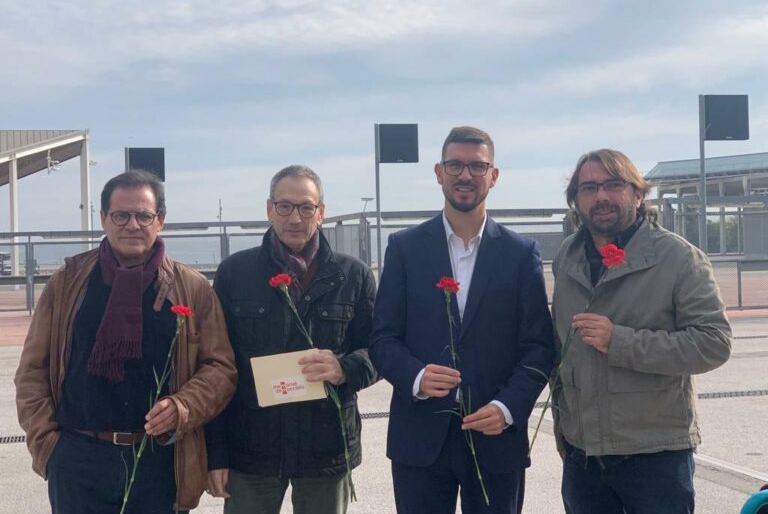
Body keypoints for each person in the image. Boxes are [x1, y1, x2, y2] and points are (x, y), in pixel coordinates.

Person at [15, 169, 237, 513]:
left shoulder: (192, 288)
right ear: (103, 218)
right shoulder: (68, 281)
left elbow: (220, 369)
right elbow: (32, 369)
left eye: (143, 215)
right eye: (121, 215)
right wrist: (46, 444)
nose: (132, 225)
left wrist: (183, 406)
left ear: (160, 220)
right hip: (77, 459)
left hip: (158, 461)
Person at [370, 126, 555, 514]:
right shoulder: (404, 248)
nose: (465, 175)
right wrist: (417, 377)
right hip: (420, 439)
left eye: (476, 166)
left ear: (494, 175)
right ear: (439, 172)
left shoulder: (522, 255)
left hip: (496, 437)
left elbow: (538, 348)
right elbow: (383, 339)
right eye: (455, 165)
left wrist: (507, 408)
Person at [552, 149, 732, 514]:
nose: (601, 196)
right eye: (588, 187)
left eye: (613, 184)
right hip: (583, 458)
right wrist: (564, 432)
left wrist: (620, 341)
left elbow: (714, 342)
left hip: (654, 457)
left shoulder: (679, 258)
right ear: (576, 200)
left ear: (638, 193)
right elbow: (561, 351)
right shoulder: (566, 257)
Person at [205, 164, 377, 514]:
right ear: (269, 210)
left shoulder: (353, 275)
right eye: (284, 206)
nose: (295, 218)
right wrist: (215, 454)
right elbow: (216, 366)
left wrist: (344, 368)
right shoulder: (235, 273)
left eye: (305, 207)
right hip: (251, 448)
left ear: (321, 212)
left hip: (325, 448)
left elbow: (380, 349)